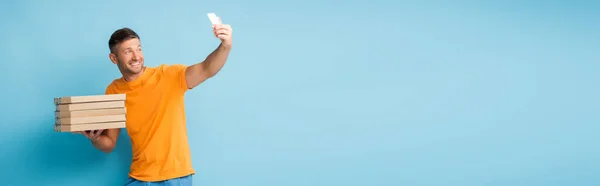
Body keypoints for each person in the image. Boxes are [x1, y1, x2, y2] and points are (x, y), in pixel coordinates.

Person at [74, 17, 233, 186]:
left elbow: (206, 68)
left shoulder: (168, 76)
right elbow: (109, 144)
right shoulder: (114, 90)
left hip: (175, 177)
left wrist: (225, 46)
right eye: (128, 52)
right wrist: (94, 138)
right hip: (140, 178)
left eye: (139, 49)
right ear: (114, 58)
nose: (136, 57)